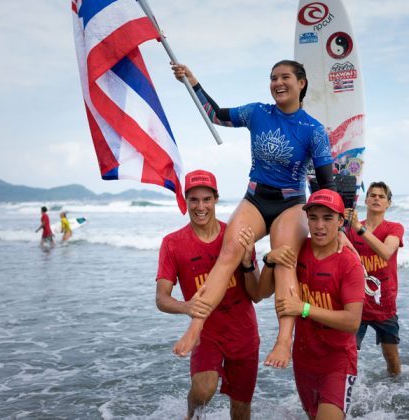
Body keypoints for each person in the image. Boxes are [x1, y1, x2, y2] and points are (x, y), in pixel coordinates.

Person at [171, 60, 339, 368]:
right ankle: (196, 325)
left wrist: (331, 228)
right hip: (255, 197)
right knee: (229, 252)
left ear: (301, 83)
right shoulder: (258, 113)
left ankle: (283, 341)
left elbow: (327, 186)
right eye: (273, 78)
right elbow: (215, 115)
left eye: (285, 77)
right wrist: (192, 81)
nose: (277, 83)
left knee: (285, 261)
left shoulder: (313, 130)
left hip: (290, 204)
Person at [156, 170, 264, 420]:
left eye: (206, 199)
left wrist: (247, 262)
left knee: (240, 410)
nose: (200, 206)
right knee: (203, 391)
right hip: (207, 335)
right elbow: (161, 298)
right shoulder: (173, 244)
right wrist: (186, 307)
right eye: (194, 200)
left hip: (244, 334)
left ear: (216, 199)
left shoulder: (236, 235)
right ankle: (190, 414)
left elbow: (256, 295)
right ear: (185, 202)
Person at [275, 189, 365, 419]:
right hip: (304, 359)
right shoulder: (299, 250)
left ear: (340, 221)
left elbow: (352, 321)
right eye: (313, 218)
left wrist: (303, 308)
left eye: (327, 218)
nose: (319, 225)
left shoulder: (350, 263)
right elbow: (261, 291)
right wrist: (268, 259)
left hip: (337, 361)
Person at [345, 181, 404, 376]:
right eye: (373, 195)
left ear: (388, 203)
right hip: (356, 305)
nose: (377, 199)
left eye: (381, 196)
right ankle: (343, 395)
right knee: (347, 354)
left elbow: (386, 252)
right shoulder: (352, 228)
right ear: (366, 199)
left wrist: (359, 230)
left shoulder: (394, 228)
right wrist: (340, 223)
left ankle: (396, 394)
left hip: (384, 303)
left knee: (391, 357)